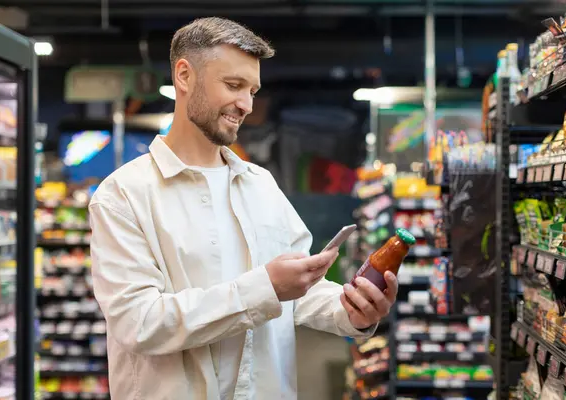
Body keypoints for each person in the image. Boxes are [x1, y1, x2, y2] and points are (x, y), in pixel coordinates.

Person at [89, 16, 399, 400]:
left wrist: (348, 310)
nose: (247, 105)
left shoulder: (260, 184)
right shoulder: (123, 195)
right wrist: (263, 288)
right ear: (184, 76)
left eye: (252, 90)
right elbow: (140, 323)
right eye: (233, 85)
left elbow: (298, 289)